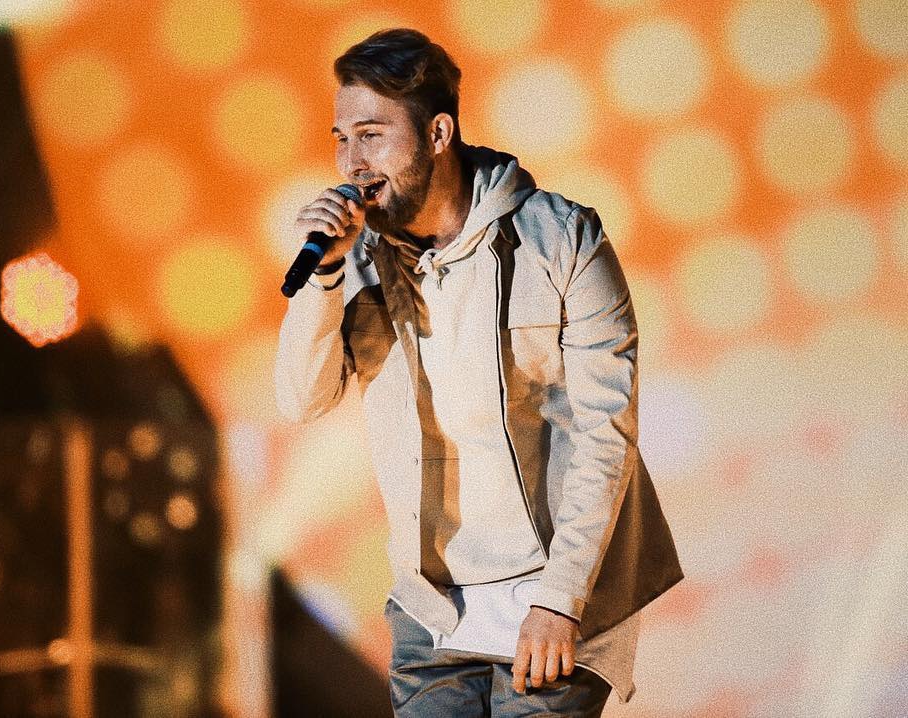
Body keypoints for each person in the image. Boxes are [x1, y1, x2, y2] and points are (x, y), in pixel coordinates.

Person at [274, 28, 683, 716]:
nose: (352, 162)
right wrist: (324, 277)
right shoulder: (360, 259)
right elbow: (301, 399)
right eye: (341, 138)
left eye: (371, 136)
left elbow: (606, 433)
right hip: (433, 608)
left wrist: (560, 600)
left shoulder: (561, 239)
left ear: (438, 133)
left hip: (556, 593)